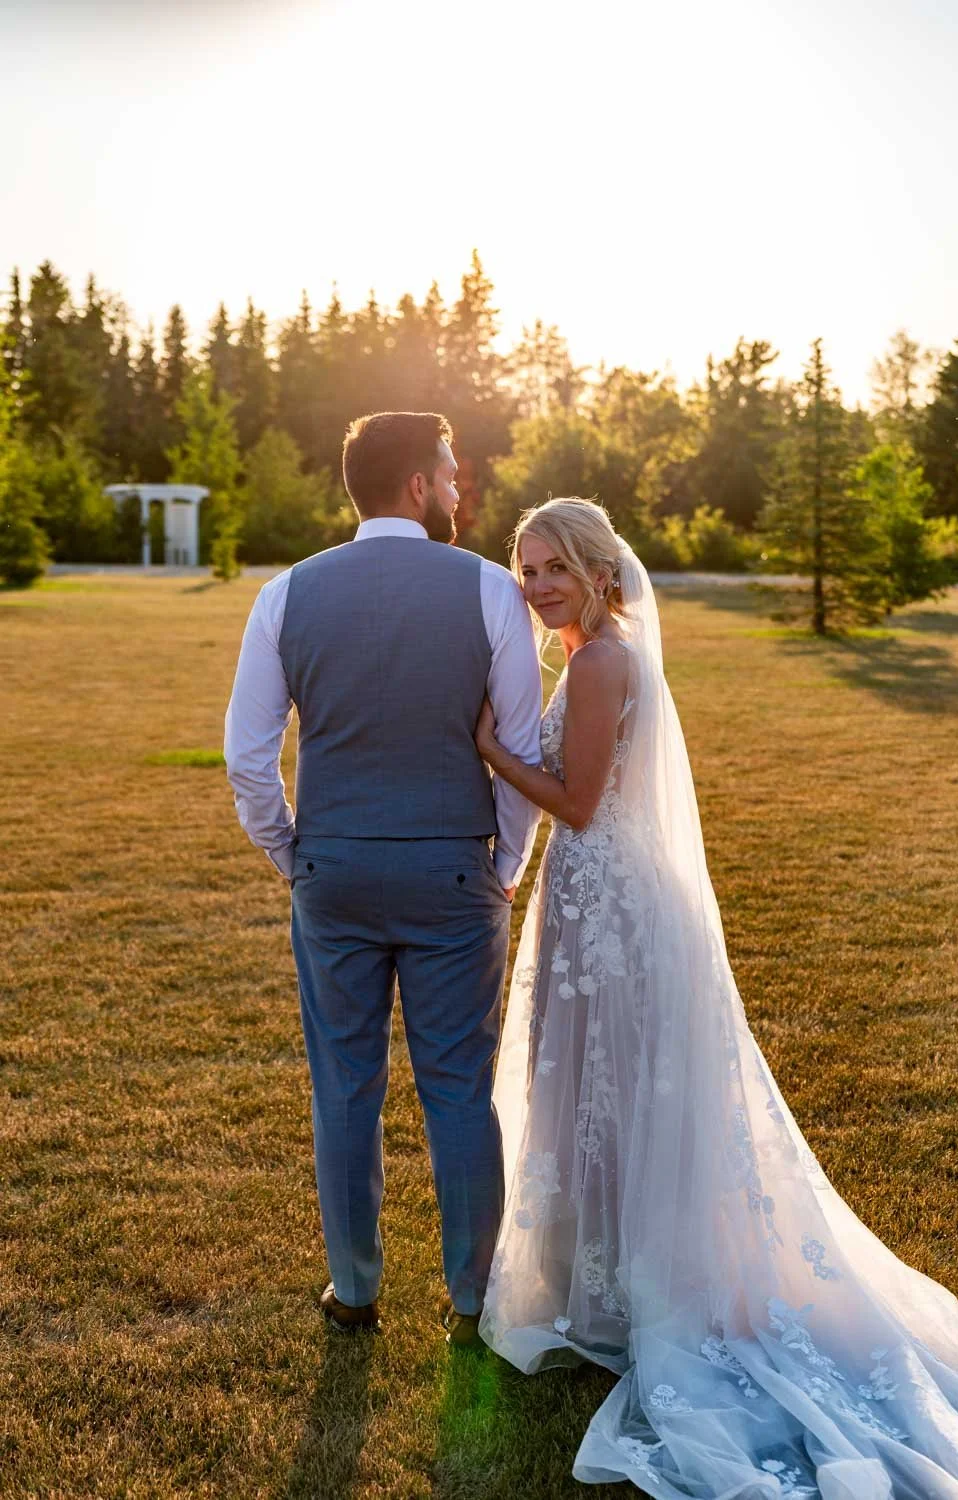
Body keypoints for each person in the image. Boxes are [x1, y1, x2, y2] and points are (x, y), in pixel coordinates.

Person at [474, 497, 958, 1499]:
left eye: (550, 567)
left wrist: (492, 752)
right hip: (603, 902)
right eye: (524, 567)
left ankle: (636, 1294)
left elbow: (577, 803)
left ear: (596, 570)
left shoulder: (595, 662)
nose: (535, 584)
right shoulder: (601, 650)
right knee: (608, 1093)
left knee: (616, 1090)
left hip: (614, 912)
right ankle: (614, 1281)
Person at [223, 411, 542, 1344]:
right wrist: (504, 866)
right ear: (415, 485)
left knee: (345, 1086)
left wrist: (292, 851)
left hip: (334, 872)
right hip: (453, 873)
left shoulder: (286, 594)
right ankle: (474, 1298)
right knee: (457, 1090)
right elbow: (518, 749)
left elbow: (249, 756)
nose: (456, 491)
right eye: (448, 476)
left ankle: (355, 1291)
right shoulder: (489, 590)